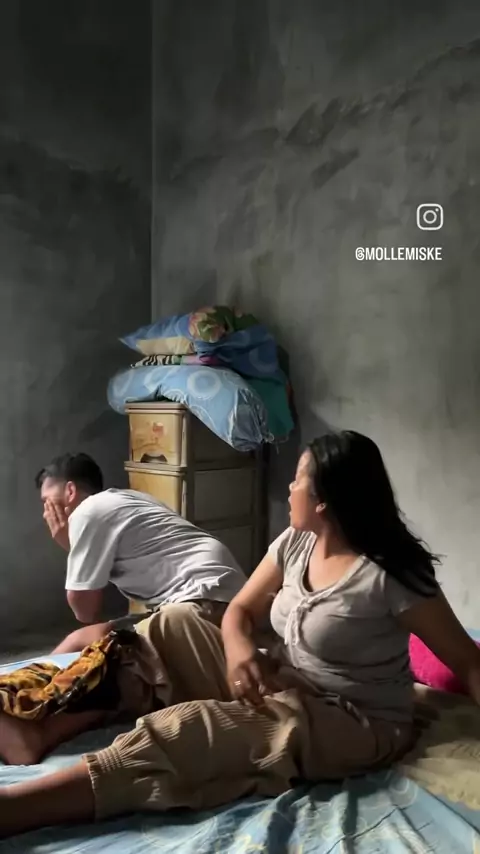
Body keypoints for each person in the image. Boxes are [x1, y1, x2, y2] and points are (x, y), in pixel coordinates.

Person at [1, 430, 480, 840]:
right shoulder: (298, 541)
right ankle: (43, 719)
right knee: (172, 624)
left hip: (353, 721)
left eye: (298, 479)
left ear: (324, 500)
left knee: (192, 727)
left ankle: (19, 807)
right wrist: (239, 649)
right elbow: (241, 610)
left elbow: (467, 661)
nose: (289, 487)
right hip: (289, 678)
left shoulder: (390, 576)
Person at [36, 453, 246, 653]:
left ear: (70, 491)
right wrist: (72, 544)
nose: (46, 513)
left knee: (80, 645)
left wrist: (67, 541)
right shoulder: (130, 498)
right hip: (227, 597)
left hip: (200, 600)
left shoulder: (86, 512)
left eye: (47, 501)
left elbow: (84, 609)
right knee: (86, 638)